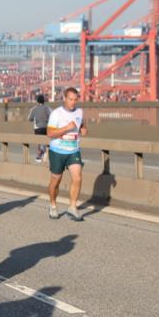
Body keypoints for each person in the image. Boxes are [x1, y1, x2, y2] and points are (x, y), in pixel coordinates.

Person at [46, 87, 87, 221]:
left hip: (73, 151)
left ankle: (72, 207)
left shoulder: (80, 112)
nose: (73, 102)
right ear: (64, 98)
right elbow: (50, 133)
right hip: (57, 151)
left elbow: (82, 124)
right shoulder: (56, 114)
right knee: (56, 181)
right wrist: (66, 128)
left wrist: (84, 129)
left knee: (78, 177)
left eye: (75, 100)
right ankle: (53, 205)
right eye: (70, 99)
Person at [27, 94, 52, 162]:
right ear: (44, 101)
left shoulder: (34, 109)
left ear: (37, 101)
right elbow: (52, 116)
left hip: (37, 128)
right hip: (46, 127)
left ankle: (39, 156)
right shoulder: (47, 108)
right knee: (46, 141)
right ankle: (46, 154)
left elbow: (29, 119)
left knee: (39, 141)